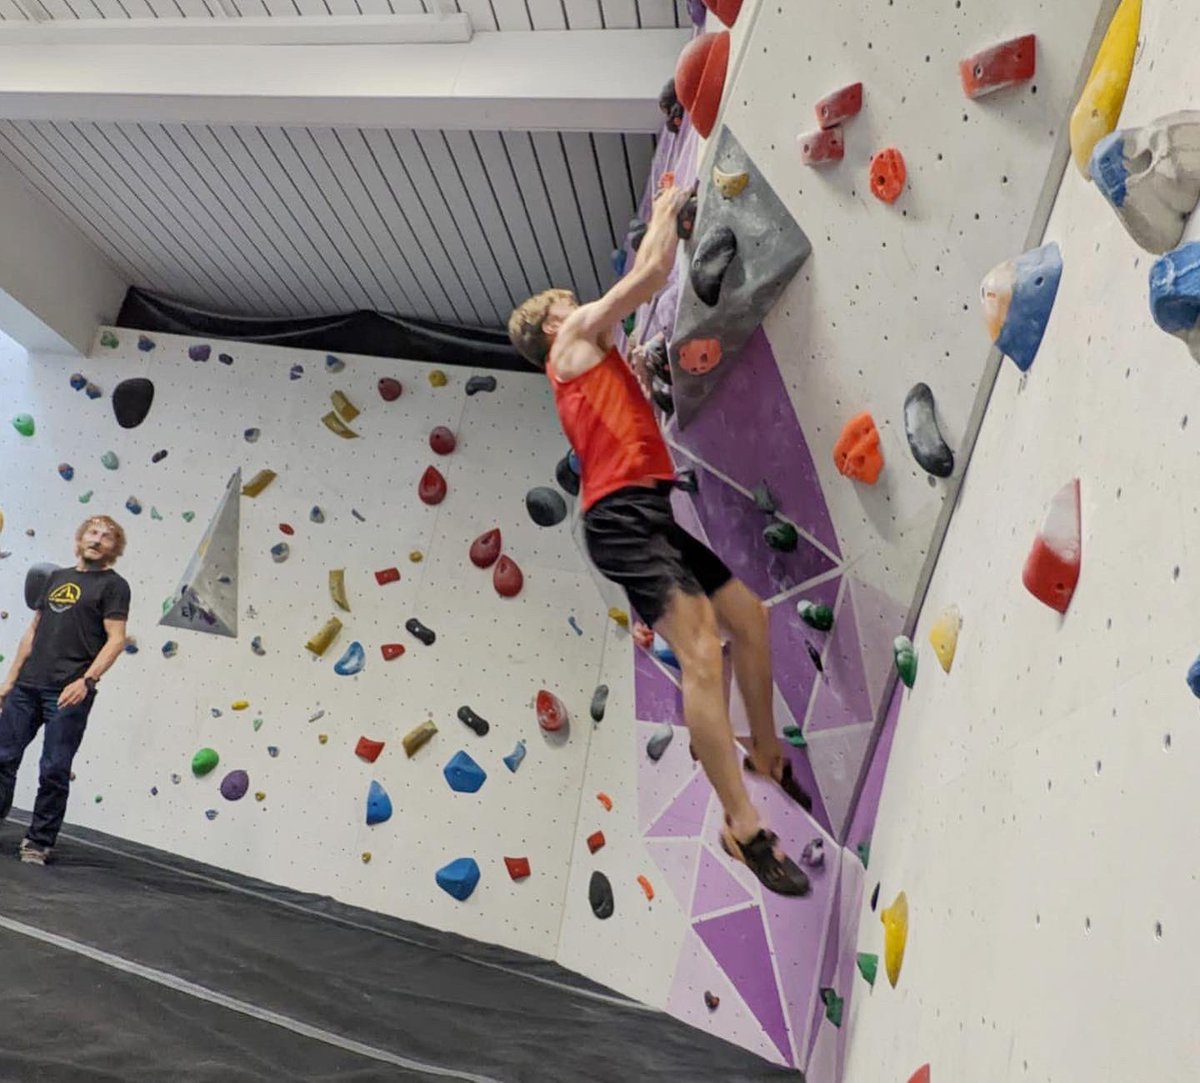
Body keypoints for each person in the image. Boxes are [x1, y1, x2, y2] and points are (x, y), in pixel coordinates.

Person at [507, 185, 811, 897]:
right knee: (703, 648)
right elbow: (644, 280)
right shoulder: (574, 337)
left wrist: (668, 214)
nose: (577, 302)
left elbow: (642, 271)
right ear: (552, 319)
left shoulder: (592, 356)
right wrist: (672, 215)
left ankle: (765, 753)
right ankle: (742, 826)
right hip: (618, 520)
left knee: (750, 621)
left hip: (646, 512)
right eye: (566, 300)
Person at [0, 516, 130, 864]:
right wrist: (9, 680)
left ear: (114, 549)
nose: (97, 539)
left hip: (68, 691)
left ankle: (38, 842)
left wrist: (87, 681)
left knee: (54, 769)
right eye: (93, 532)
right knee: (2, 758)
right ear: (80, 538)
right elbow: (33, 631)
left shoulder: (114, 586)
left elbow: (116, 641)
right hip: (27, 686)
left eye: (107, 537)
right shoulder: (56, 578)